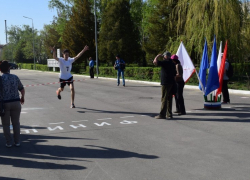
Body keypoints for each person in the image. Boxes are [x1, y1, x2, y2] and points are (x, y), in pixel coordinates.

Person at [0, 61, 25, 148]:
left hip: (5, 104)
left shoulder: (1, 79)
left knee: (6, 124)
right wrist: (22, 97)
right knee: (16, 123)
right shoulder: (15, 77)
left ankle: (8, 142)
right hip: (16, 102)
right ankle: (17, 141)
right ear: (9, 68)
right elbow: (22, 89)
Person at [153, 51, 176, 119]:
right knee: (169, 98)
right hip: (171, 82)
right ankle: (169, 114)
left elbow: (155, 62)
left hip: (166, 83)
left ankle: (162, 114)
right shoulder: (172, 63)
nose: (163, 57)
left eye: (164, 56)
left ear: (166, 56)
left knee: (164, 98)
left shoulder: (165, 62)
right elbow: (175, 74)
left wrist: (157, 56)